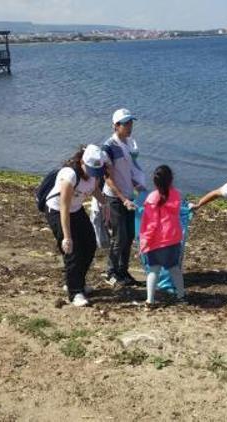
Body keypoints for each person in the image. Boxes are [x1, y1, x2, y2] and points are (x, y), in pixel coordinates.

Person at [46, 144, 109, 307]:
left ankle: (77, 282)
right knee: (72, 251)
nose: (94, 174)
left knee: (89, 244)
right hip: (57, 210)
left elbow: (94, 189)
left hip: (76, 209)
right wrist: (67, 237)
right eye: (91, 169)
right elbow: (64, 208)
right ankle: (74, 292)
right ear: (82, 162)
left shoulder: (94, 174)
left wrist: (105, 204)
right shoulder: (70, 176)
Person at [101, 108, 147, 287]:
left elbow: (129, 170)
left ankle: (123, 270)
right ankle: (111, 272)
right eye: (126, 123)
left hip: (128, 196)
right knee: (119, 237)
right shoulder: (108, 147)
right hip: (114, 198)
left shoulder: (128, 144)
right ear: (116, 126)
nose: (130, 127)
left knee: (129, 236)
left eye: (131, 123)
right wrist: (123, 198)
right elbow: (108, 178)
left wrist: (137, 186)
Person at [139, 165, 186, 305]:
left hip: (156, 243)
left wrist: (144, 243)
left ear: (155, 182)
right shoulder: (176, 195)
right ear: (171, 180)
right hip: (173, 239)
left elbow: (151, 225)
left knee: (153, 271)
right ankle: (181, 296)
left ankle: (150, 300)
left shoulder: (152, 198)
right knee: (174, 269)